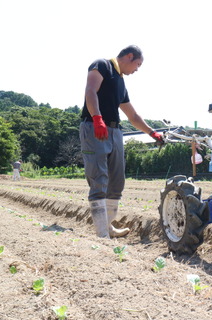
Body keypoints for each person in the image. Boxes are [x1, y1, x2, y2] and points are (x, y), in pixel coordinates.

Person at [80, 45, 164, 239]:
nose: (137, 69)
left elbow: (132, 115)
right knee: (99, 178)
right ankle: (102, 234)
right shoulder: (101, 66)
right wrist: (97, 118)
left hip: (115, 131)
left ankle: (108, 226)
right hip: (94, 128)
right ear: (129, 56)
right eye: (138, 64)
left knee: (117, 181)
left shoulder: (120, 82)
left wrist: (153, 133)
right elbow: (90, 91)